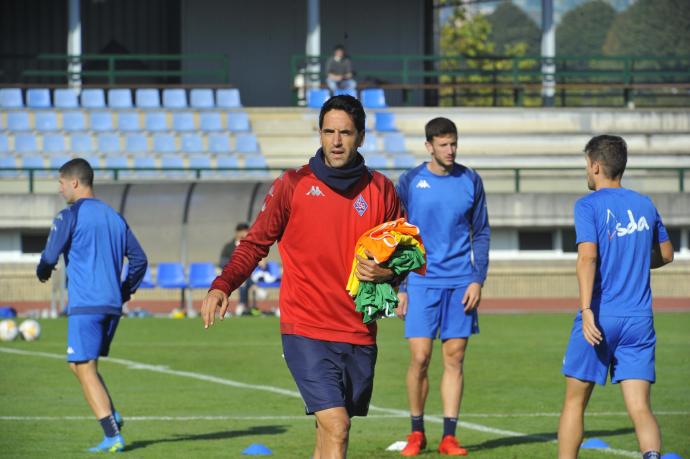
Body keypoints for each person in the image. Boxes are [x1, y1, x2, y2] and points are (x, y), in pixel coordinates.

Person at [201, 95, 402, 459]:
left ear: (361, 137)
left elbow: (405, 256)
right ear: (320, 133)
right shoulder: (293, 185)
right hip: (305, 327)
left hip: (359, 331)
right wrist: (223, 285)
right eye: (329, 132)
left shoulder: (382, 190)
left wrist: (388, 273)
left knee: (328, 434)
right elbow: (254, 244)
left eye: (345, 133)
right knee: (338, 426)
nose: (336, 141)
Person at [558, 135, 674, 459]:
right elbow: (666, 254)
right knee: (640, 408)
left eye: (586, 165)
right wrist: (636, 257)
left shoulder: (588, 205)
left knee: (574, 402)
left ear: (595, 166)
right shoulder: (645, 204)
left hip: (599, 317)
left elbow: (588, 258)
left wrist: (586, 310)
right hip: (639, 320)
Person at [36, 158, 148, 453]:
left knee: (84, 367)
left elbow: (49, 257)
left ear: (74, 182)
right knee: (79, 364)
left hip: (86, 304)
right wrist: (124, 291)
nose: (59, 189)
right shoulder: (114, 216)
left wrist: (43, 270)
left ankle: (112, 433)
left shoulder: (69, 215)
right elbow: (140, 259)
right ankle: (111, 413)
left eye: (61, 183)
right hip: (111, 305)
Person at [395, 117, 490, 456]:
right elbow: (399, 234)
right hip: (420, 281)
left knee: (455, 357)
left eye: (454, 144)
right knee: (420, 358)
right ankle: (416, 432)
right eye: (443, 144)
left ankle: (449, 436)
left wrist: (477, 279)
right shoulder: (409, 181)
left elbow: (481, 233)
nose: (450, 150)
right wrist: (401, 285)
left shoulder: (470, 180)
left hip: (460, 282)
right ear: (429, 146)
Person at [218, 222, 255, 315]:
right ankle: (252, 292)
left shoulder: (250, 245)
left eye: (247, 231)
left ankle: (244, 306)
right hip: (233, 273)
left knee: (245, 279)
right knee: (243, 281)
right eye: (244, 231)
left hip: (248, 273)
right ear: (238, 232)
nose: (246, 233)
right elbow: (223, 263)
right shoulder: (229, 247)